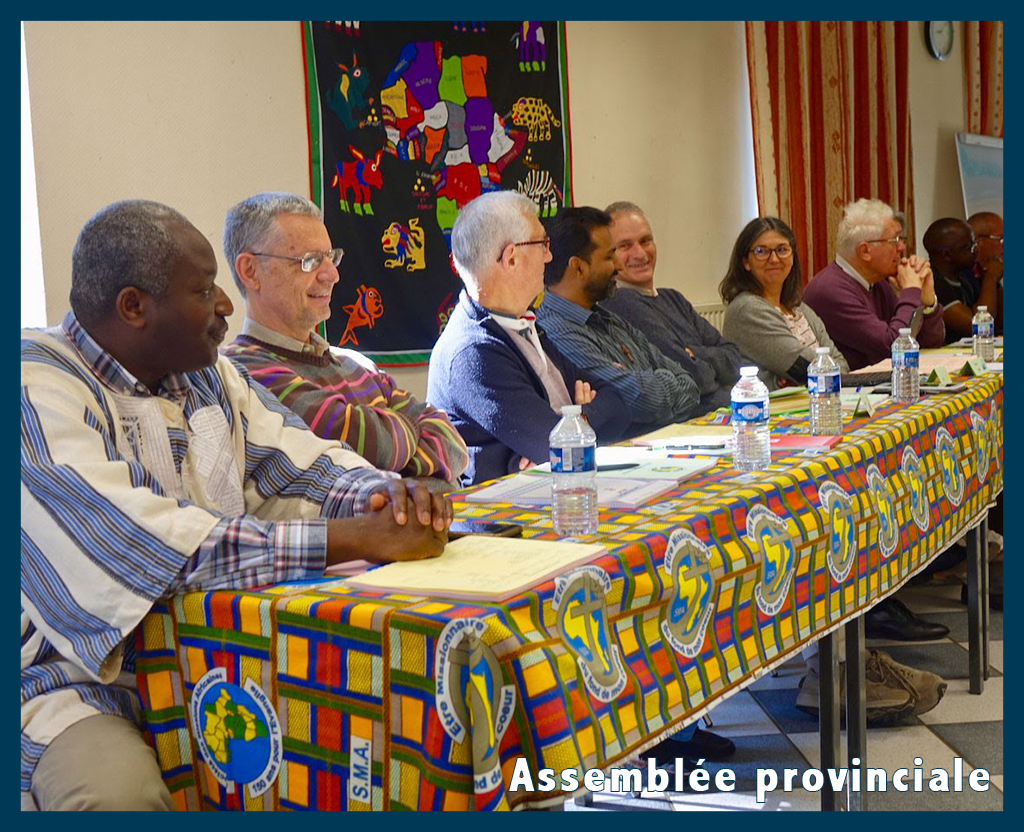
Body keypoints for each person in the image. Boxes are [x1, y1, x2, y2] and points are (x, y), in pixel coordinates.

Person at [21, 200, 452, 810]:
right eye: (204, 290)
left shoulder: (204, 374)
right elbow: (138, 545)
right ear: (133, 307)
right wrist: (355, 537)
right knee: (118, 793)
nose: (226, 306)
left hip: (220, 646)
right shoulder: (35, 387)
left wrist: (388, 497)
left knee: (368, 724)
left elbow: (301, 460)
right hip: (78, 682)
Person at [221, 192, 468, 486]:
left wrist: (392, 465)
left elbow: (451, 442)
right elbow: (377, 448)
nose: (332, 274)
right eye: (309, 261)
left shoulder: (356, 364)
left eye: (330, 257)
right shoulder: (243, 374)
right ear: (250, 271)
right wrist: (410, 449)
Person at [427, 191, 631, 485]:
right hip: (504, 522)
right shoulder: (474, 352)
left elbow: (618, 405)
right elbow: (559, 448)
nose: (549, 256)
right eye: (542, 244)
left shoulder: (519, 323)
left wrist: (576, 421)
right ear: (511, 258)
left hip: (549, 495)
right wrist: (573, 424)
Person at [534, 207, 704, 434]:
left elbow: (690, 383)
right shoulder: (555, 330)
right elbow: (633, 401)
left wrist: (645, 381)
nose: (618, 266)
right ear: (579, 267)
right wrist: (654, 380)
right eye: (608, 256)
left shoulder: (608, 319)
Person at [601, 201, 742, 411]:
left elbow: (734, 358)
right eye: (625, 246)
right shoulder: (619, 302)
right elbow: (694, 376)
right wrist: (713, 373)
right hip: (692, 423)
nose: (639, 253)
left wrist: (693, 352)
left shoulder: (673, 298)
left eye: (645, 241)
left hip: (721, 412)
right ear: (608, 255)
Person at [802, 198, 945, 369]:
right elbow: (893, 346)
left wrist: (927, 303)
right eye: (894, 240)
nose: (901, 247)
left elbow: (929, 342)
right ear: (865, 251)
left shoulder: (877, 283)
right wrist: (911, 291)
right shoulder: (830, 290)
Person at [719, 216, 850, 389]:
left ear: (792, 256)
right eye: (761, 251)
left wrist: (794, 377)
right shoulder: (747, 309)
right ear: (746, 262)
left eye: (782, 249)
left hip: (817, 401)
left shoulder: (799, 308)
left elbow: (841, 366)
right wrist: (798, 376)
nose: (774, 259)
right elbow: (804, 369)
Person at [923, 217, 1001, 342]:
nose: (976, 251)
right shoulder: (932, 282)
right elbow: (979, 327)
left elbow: (999, 323)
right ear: (947, 255)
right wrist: (990, 278)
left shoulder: (964, 276)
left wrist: (994, 280)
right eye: (969, 247)